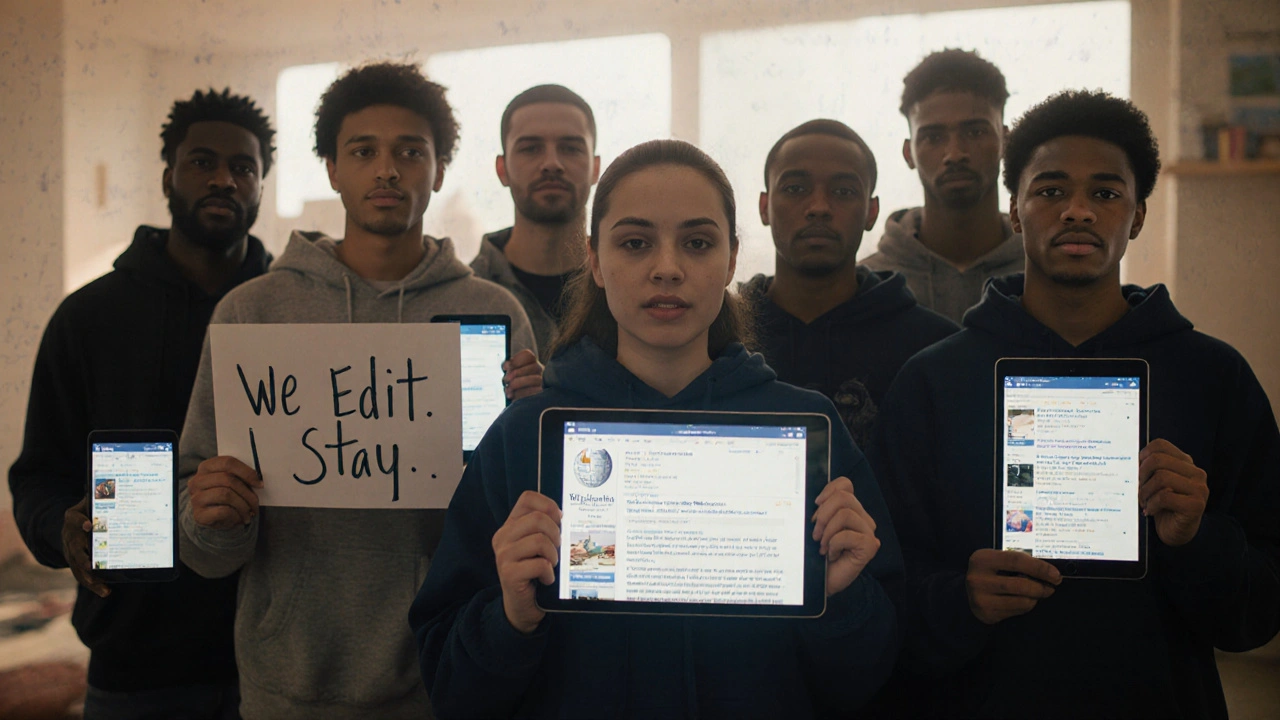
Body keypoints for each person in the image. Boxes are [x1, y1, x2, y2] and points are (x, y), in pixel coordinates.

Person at [410, 139, 902, 718]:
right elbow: (451, 690)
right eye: (635, 242)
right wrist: (509, 619)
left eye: (697, 243)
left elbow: (871, 680)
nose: (667, 268)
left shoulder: (808, 430)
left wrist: (844, 600)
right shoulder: (522, 437)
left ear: (732, 259)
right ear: (593, 259)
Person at [871, 90, 1280, 718]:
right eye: (1051, 191)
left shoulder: (1213, 377)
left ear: (1138, 215)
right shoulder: (934, 381)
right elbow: (884, 596)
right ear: (1015, 210)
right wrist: (961, 600)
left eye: (1107, 193)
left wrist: (1198, 539)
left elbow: (1257, 616)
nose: (1079, 212)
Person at [175, 63, 540, 720]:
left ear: (438, 168)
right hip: (285, 683)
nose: (388, 170)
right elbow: (204, 545)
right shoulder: (251, 313)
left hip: (441, 678)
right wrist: (212, 516)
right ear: (332, 168)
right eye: (363, 150)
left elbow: (515, 511)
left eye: (410, 151)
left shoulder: (493, 311)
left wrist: (526, 426)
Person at [8, 87, 275, 718]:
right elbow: (37, 479)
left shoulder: (292, 315)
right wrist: (61, 528)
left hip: (279, 662)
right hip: (136, 672)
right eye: (201, 162)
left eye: (243, 168)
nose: (223, 180)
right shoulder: (88, 318)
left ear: (263, 184)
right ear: (168, 176)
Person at [742, 119, 957, 445]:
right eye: (795, 188)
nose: (819, 208)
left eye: (843, 191)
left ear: (871, 212)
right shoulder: (718, 339)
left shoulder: (934, 350)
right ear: (764, 207)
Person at [863, 49, 1023, 324]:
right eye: (933, 136)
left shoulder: (1047, 278)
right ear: (908, 153)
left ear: (1005, 142)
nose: (955, 153)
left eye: (975, 132)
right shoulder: (866, 287)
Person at [472, 84, 601, 359]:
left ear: (596, 168)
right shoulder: (463, 293)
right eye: (531, 148)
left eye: (570, 148)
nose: (552, 163)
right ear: (501, 169)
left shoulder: (626, 289)